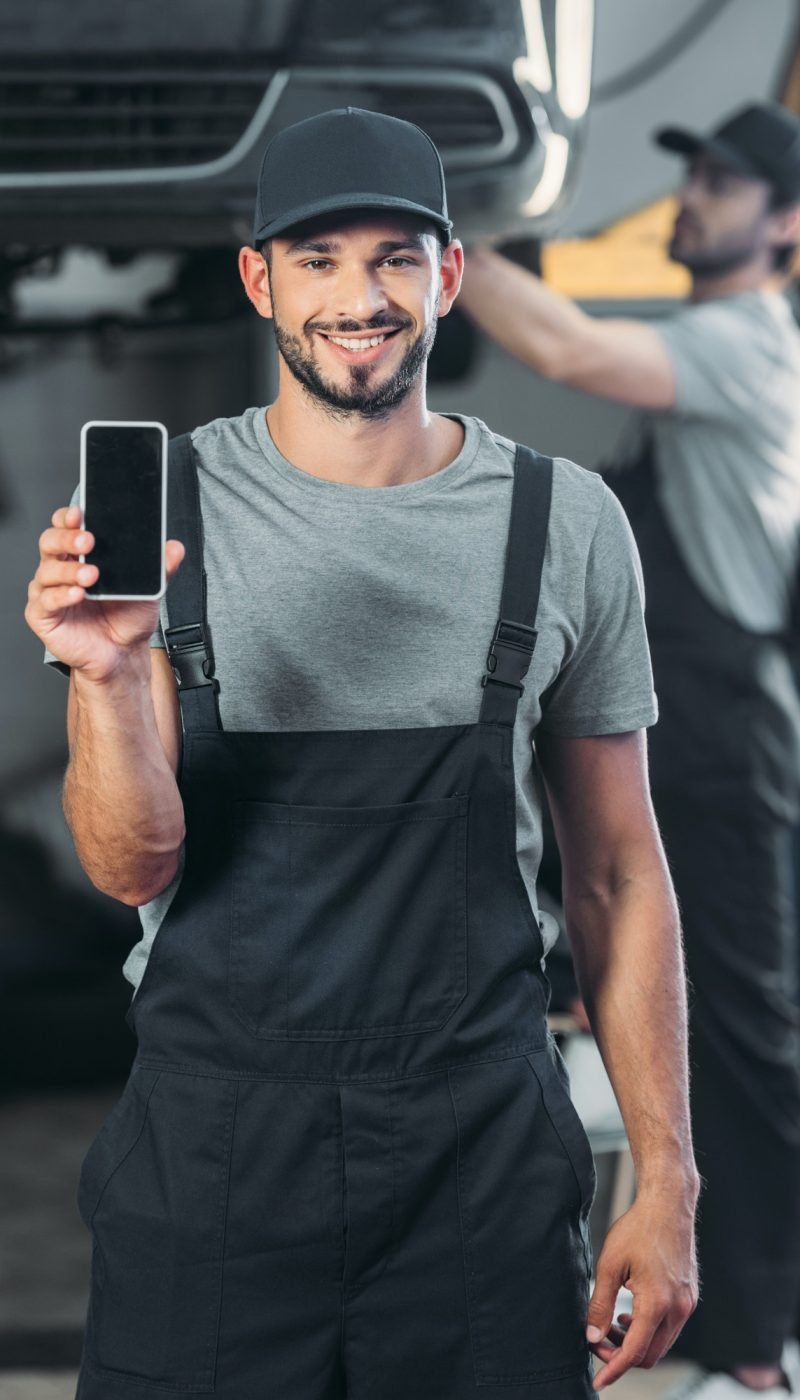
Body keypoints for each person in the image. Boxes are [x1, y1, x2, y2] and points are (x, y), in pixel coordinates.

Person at [25, 107, 698, 1400]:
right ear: (258, 278)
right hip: (215, 1171)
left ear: (449, 276)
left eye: (395, 256)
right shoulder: (159, 513)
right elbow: (129, 864)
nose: (359, 296)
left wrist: (668, 1181)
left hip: (479, 1172)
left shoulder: (565, 526)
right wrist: (106, 674)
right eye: (319, 258)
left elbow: (619, 873)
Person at [459, 101, 800, 1399]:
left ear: (786, 225)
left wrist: (434, 234)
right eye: (697, 174)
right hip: (687, 730)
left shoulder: (743, 344)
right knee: (672, 1022)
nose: (696, 195)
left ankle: (763, 1357)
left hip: (726, 737)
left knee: (745, 1044)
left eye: (727, 185)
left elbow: (561, 345)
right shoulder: (715, 344)